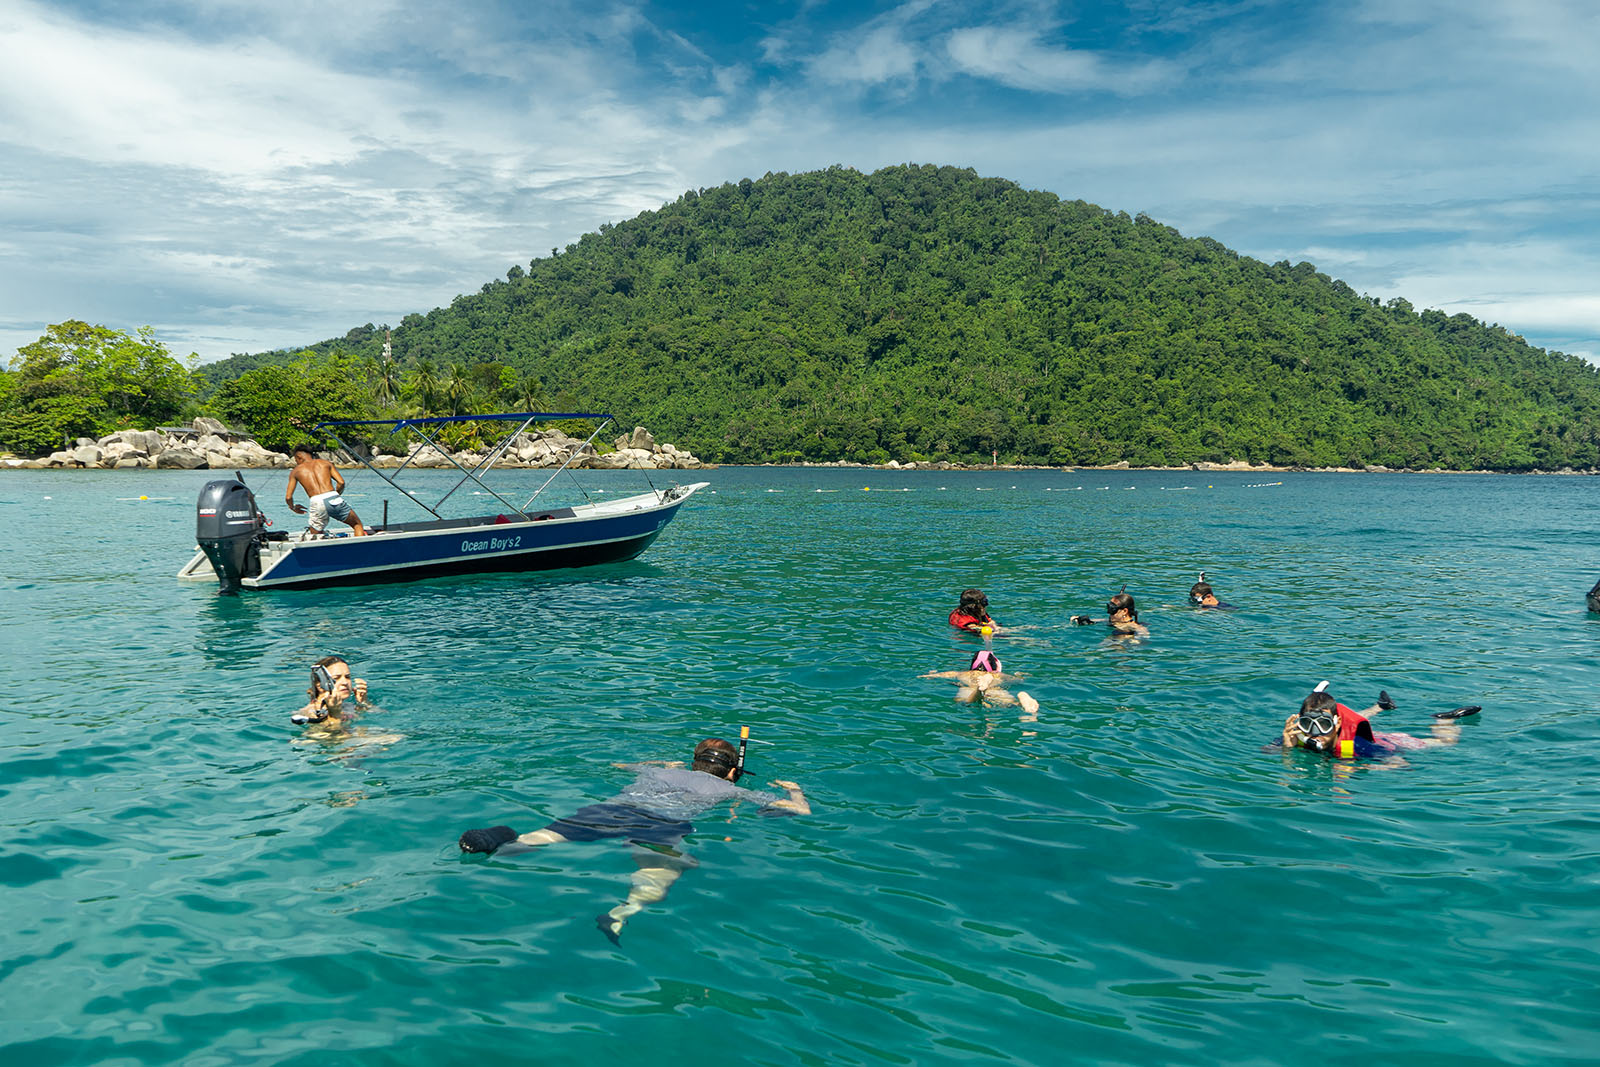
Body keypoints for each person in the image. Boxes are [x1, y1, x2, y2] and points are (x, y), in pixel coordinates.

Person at [458, 737, 810, 943]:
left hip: (615, 808)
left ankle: (510, 841)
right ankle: (620, 913)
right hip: (661, 824)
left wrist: (663, 764)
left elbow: (620, 766)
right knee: (662, 869)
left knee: (552, 835)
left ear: (694, 763)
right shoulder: (730, 790)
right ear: (733, 771)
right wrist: (794, 790)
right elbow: (798, 811)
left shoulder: (657, 771)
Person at [1280, 682, 1480, 757]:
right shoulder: (1295, 737)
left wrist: (1374, 766)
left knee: (1446, 743)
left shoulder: (1359, 747)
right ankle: (1380, 706)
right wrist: (1287, 748)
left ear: (1337, 723)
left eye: (1323, 725)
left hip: (1388, 741)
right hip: (1355, 735)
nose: (1315, 733)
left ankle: (1446, 719)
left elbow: (1400, 764)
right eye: (1307, 724)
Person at [921, 650, 1039, 715]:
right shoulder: (998, 675)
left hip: (969, 689)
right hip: (995, 689)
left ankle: (979, 691)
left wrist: (931, 674)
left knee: (966, 703)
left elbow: (936, 676)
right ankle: (1021, 700)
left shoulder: (963, 673)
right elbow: (1018, 681)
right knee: (1009, 705)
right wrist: (1019, 676)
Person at [286, 445, 366, 538]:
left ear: (299, 457)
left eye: (296, 460)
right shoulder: (325, 463)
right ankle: (359, 546)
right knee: (357, 525)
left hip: (316, 501)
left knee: (315, 535)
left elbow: (288, 497)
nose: (296, 463)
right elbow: (341, 482)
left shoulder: (295, 471)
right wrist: (336, 494)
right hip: (333, 497)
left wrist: (293, 507)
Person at [291, 655, 371, 728]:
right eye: (336, 678)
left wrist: (363, 703)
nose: (345, 682)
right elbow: (327, 736)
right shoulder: (311, 713)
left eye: (347, 677)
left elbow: (374, 715)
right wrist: (334, 713)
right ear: (320, 685)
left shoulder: (346, 705)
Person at [1071, 592, 1148, 636]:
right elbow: (1096, 621)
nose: (1109, 613)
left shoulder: (1135, 627)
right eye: (1108, 608)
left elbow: (1144, 637)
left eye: (1112, 609)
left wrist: (1133, 641)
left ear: (1124, 611)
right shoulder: (1111, 621)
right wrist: (1081, 619)